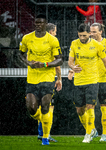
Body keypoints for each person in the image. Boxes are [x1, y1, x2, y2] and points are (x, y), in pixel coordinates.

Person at [19, 14, 63, 145]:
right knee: (32, 108)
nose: (38, 25)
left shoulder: (52, 40)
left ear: (45, 24)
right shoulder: (27, 38)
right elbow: (21, 54)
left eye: (41, 23)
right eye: (36, 23)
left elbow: (60, 59)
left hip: (47, 78)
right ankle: (44, 122)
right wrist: (28, 63)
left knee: (45, 106)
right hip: (32, 78)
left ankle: (44, 137)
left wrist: (45, 64)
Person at [68, 23, 106, 143]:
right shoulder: (74, 44)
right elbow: (70, 61)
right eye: (80, 35)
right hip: (79, 81)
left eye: (85, 35)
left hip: (96, 80)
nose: (82, 38)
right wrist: (72, 68)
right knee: (80, 110)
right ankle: (92, 130)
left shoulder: (101, 45)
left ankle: (94, 134)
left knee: (94, 107)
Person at [37, 23, 62, 143]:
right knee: (49, 107)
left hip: (36, 79)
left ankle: (40, 132)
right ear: (51, 31)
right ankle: (46, 134)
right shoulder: (53, 42)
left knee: (41, 106)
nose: (56, 33)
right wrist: (59, 79)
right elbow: (56, 62)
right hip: (48, 79)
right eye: (55, 31)